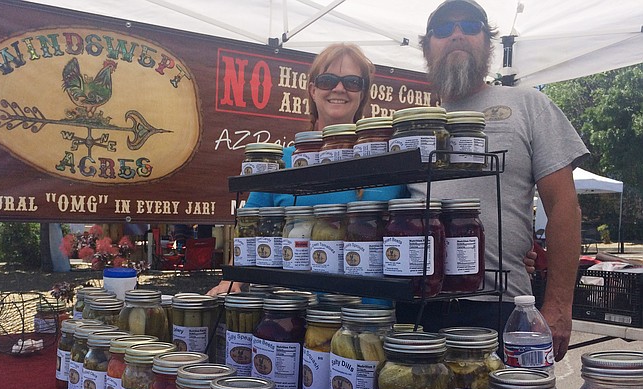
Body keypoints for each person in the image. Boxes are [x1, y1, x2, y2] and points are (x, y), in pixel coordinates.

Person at [402, 0, 588, 360]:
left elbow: (565, 207)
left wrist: (559, 307)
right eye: (443, 29)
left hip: (502, 308)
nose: (457, 34)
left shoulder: (528, 105)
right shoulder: (414, 126)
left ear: (488, 43)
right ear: (426, 48)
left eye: (471, 26)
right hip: (416, 310)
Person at [208, 43, 410, 295]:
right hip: (292, 315)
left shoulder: (390, 163)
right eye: (327, 80)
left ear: (362, 94)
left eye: (352, 82)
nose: (339, 88)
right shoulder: (282, 162)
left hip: (371, 318)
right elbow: (250, 230)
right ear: (313, 90)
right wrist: (231, 280)